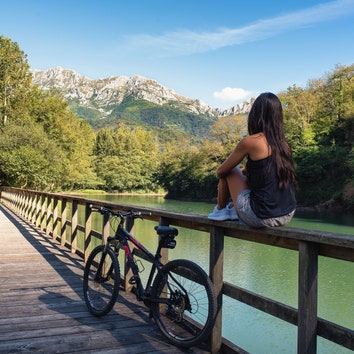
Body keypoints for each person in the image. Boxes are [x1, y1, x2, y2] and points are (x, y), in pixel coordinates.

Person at [208, 92, 296, 228]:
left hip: (261, 217)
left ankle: (221, 211)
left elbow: (221, 172)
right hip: (288, 213)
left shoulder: (251, 142)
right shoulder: (284, 144)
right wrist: (243, 173)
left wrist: (233, 176)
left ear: (255, 114)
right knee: (242, 172)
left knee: (230, 170)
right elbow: (265, 171)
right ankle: (232, 208)